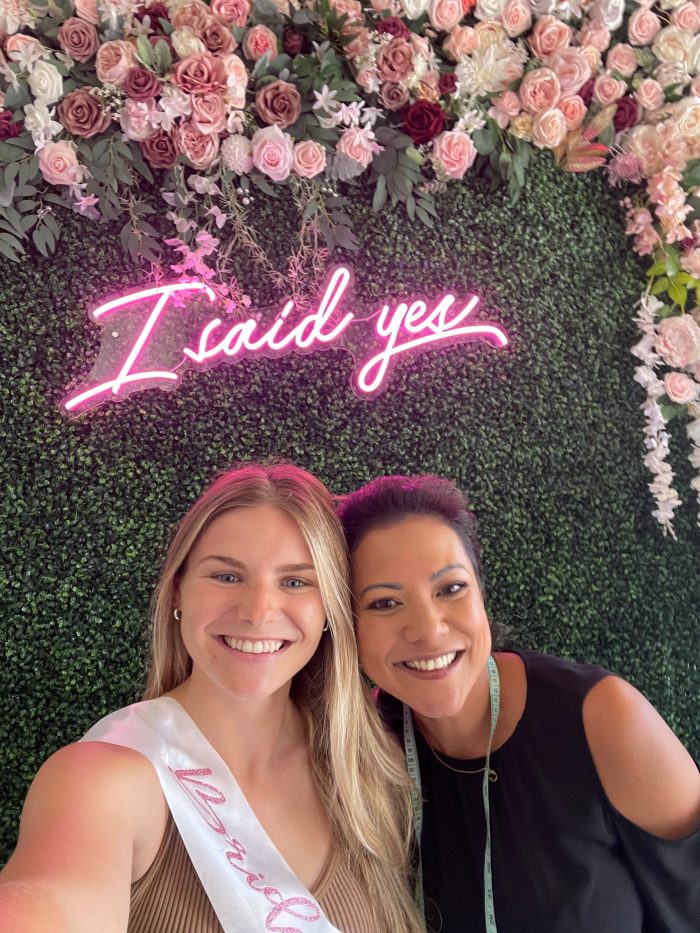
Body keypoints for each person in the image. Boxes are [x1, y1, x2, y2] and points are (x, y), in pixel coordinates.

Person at [0, 464, 423, 933]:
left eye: (296, 581)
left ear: (329, 609)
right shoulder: (102, 778)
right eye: (226, 576)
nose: (258, 611)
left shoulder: (369, 770)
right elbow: (50, 899)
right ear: (178, 589)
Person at [337, 474, 700, 933]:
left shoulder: (602, 717)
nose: (428, 630)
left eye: (450, 589)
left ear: (481, 595)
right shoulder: (364, 748)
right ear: (348, 625)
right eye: (385, 603)